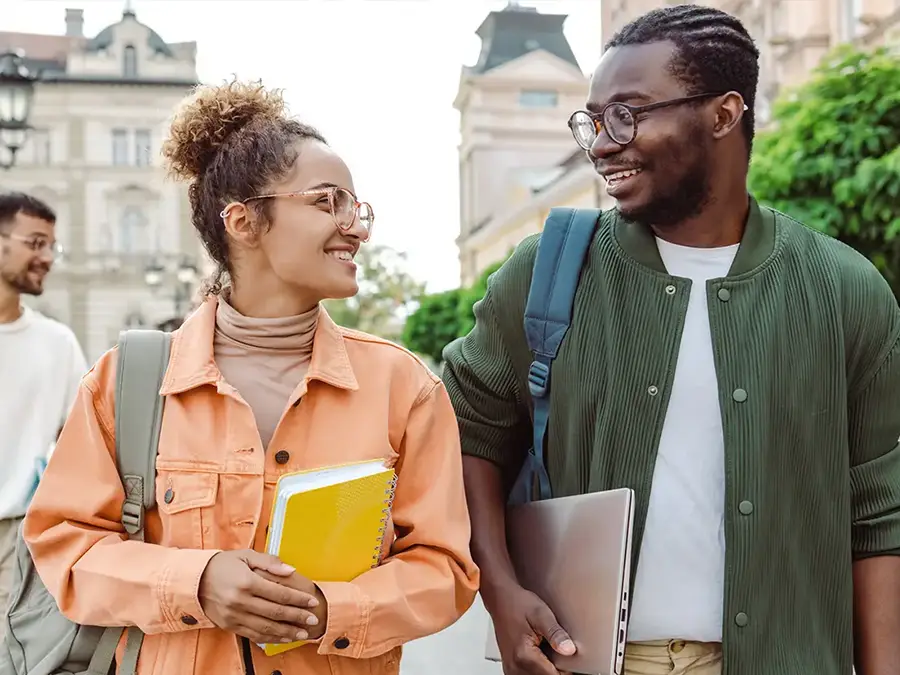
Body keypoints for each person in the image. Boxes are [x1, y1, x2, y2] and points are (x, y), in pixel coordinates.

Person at [442, 5, 900, 675]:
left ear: (723, 114)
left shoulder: (844, 289)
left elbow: (879, 514)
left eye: (627, 115)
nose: (602, 144)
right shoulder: (548, 271)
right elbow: (466, 433)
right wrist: (501, 591)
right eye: (594, 121)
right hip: (592, 660)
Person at [23, 80, 479, 675]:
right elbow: (65, 546)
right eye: (327, 202)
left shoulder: (405, 387)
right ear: (243, 220)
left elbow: (445, 568)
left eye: (355, 207)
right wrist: (197, 582)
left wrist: (331, 609)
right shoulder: (124, 382)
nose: (357, 228)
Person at [0, 191, 87, 626]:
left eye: (52, 246)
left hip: (18, 539)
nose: (48, 258)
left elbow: (83, 446)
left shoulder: (57, 344)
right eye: (35, 243)